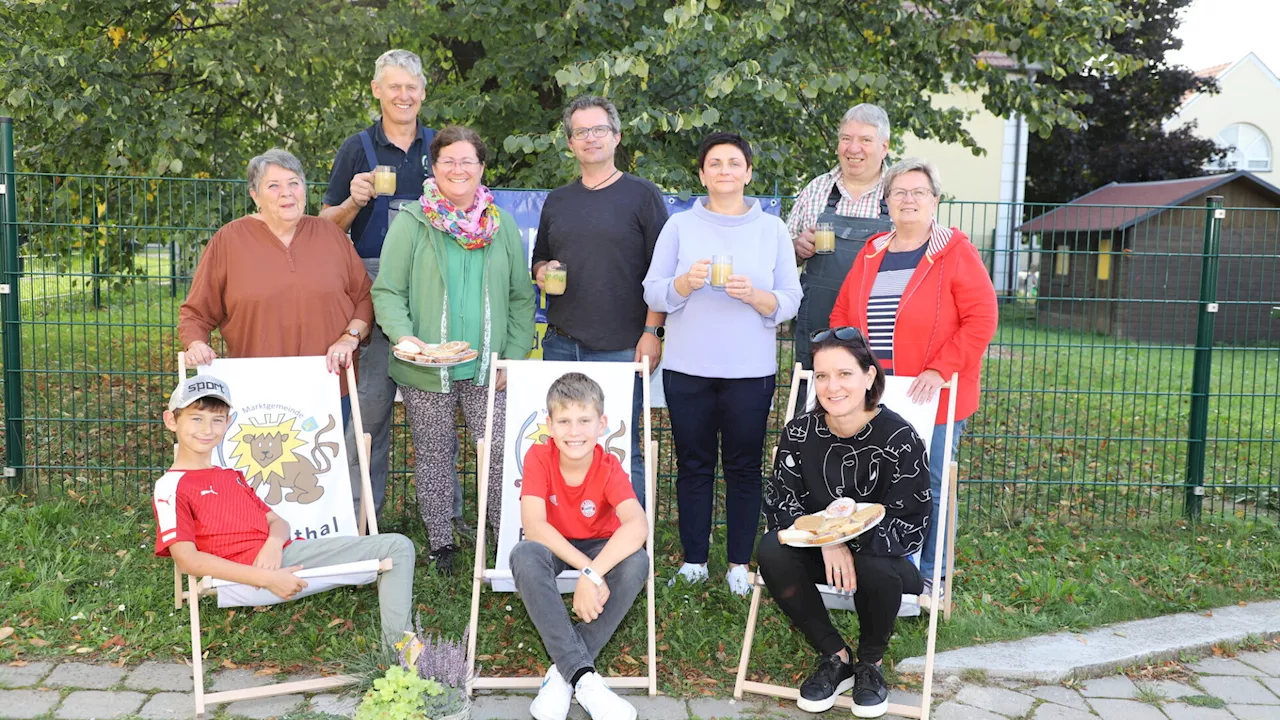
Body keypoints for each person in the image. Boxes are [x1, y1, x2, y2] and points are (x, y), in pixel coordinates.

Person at [829, 158, 997, 613]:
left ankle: (931, 579)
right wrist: (853, 372)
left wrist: (941, 369)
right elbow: (843, 317)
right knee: (879, 483)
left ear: (935, 200)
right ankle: (884, 575)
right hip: (879, 395)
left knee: (932, 482)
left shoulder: (955, 251)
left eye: (918, 192)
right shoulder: (872, 252)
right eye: (899, 192)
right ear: (886, 201)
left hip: (934, 394)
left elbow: (982, 319)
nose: (908, 200)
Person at [641, 132, 801, 595]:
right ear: (702, 174)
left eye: (734, 163)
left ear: (749, 173)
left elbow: (790, 299)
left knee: (744, 467)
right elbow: (653, 291)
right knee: (692, 465)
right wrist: (683, 286)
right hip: (688, 368)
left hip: (750, 372)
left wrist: (757, 296)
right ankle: (694, 561)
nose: (725, 171)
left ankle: (737, 564)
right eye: (715, 163)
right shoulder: (678, 227)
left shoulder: (772, 229)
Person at [371, 125, 536, 575]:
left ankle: (505, 540)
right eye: (449, 161)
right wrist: (406, 340)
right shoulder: (412, 222)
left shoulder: (501, 227)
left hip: (490, 369)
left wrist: (515, 357)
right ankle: (441, 542)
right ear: (434, 167)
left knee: (499, 452)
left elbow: (522, 297)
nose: (458, 169)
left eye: (468, 161)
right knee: (434, 452)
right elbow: (387, 291)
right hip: (428, 368)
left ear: (482, 168)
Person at [318, 50, 467, 534]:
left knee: (441, 413)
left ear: (423, 93)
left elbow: (471, 210)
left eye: (412, 87)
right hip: (373, 287)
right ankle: (360, 523)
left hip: (433, 285)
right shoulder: (357, 148)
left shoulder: (443, 147)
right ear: (377, 90)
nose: (404, 95)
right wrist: (351, 201)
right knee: (370, 413)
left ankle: (448, 520)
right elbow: (323, 226)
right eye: (394, 86)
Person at [153, 374, 416, 648]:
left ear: (228, 423)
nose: (207, 429)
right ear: (171, 420)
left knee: (394, 549)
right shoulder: (171, 486)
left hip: (284, 555)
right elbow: (187, 560)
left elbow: (277, 521)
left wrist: (273, 544)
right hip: (249, 575)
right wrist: (267, 577)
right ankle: (400, 659)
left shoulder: (231, 476)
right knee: (396, 548)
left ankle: (399, 659)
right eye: (196, 418)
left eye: (217, 420)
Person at [756, 328, 929, 718]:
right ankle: (836, 656)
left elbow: (912, 523)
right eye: (821, 376)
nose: (831, 386)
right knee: (772, 549)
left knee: (873, 561)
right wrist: (829, 540)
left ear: (869, 377)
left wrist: (851, 542)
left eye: (844, 374)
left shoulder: (900, 438)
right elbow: (781, 503)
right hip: (826, 556)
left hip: (887, 562)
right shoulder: (800, 432)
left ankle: (871, 663)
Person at [532, 95, 669, 505]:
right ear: (570, 143)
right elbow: (539, 259)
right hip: (560, 343)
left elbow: (661, 274)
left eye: (598, 130)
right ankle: (571, 537)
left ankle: (631, 551)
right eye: (580, 132)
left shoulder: (643, 195)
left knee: (626, 448)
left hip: (624, 346)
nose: (590, 138)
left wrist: (653, 331)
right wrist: (541, 271)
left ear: (616, 136)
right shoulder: (557, 199)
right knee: (563, 447)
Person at [179, 148, 373, 419]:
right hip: (257, 391)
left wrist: (349, 337)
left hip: (328, 387)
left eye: (294, 183)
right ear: (254, 195)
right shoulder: (229, 241)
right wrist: (196, 344)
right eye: (274, 185)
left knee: (321, 461)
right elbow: (195, 314)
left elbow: (365, 298)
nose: (287, 192)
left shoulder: (331, 236)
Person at [510, 372, 648, 720]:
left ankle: (563, 675)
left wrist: (593, 572)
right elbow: (535, 526)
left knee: (637, 562)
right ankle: (585, 677)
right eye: (565, 421)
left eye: (584, 420)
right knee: (524, 555)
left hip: (599, 544)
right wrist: (587, 571)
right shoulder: (539, 458)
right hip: (554, 544)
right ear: (550, 425)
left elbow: (638, 524)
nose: (574, 431)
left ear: (601, 424)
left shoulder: (608, 465)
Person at [788, 103, 893, 372]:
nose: (853, 148)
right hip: (819, 328)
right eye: (846, 138)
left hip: (881, 326)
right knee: (814, 401)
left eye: (865, 140)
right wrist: (797, 249)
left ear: (884, 147)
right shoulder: (816, 189)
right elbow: (780, 260)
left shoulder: (901, 192)